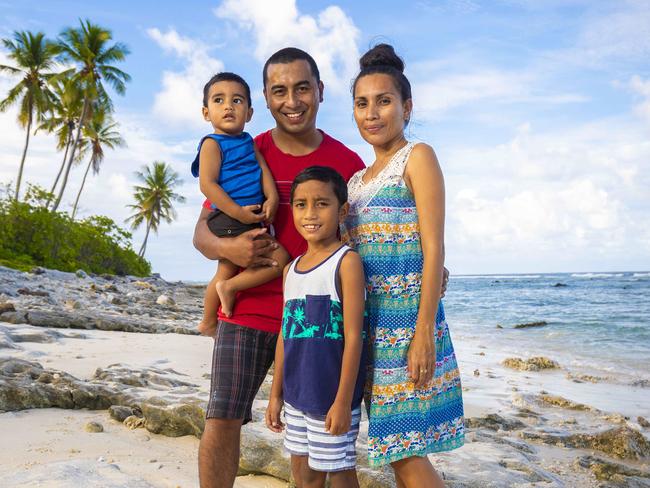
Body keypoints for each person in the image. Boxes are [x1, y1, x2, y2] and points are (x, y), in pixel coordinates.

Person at [193, 48, 365, 488]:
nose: (292, 100)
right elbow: (202, 234)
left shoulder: (349, 165)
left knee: (312, 434)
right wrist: (233, 252)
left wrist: (430, 270)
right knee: (223, 417)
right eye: (279, 91)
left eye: (302, 88)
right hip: (248, 308)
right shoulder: (246, 151)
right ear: (265, 101)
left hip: (316, 321)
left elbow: (365, 240)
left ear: (320, 92)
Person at [342, 44, 465, 488]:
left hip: (408, 329)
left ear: (406, 107)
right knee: (396, 452)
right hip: (370, 334)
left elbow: (435, 249)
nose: (372, 113)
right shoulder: (356, 181)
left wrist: (423, 334)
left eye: (384, 101)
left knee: (406, 453)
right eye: (362, 103)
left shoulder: (418, 157)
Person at [265, 166, 366, 488]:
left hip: (330, 397)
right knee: (304, 475)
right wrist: (275, 394)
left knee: (339, 472)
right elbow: (285, 335)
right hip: (295, 394)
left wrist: (342, 401)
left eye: (322, 203)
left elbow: (353, 338)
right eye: (300, 204)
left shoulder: (346, 262)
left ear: (342, 210)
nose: (310, 213)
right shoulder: (291, 269)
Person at [192, 72, 290, 332]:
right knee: (274, 260)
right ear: (205, 112)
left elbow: (262, 170)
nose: (228, 106)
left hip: (248, 216)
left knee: (234, 267)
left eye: (237, 101)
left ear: (249, 113)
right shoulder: (212, 145)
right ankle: (210, 318)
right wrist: (238, 213)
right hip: (229, 217)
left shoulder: (248, 142)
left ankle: (224, 296)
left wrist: (272, 196)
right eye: (219, 100)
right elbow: (207, 184)